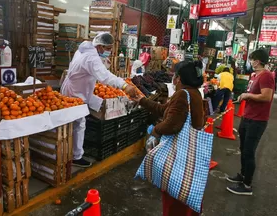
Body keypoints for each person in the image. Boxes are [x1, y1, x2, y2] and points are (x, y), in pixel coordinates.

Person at [133, 60, 205, 216]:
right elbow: (164, 110)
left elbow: (173, 123)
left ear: (178, 78)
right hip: (190, 151)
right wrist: (142, 101)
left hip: (180, 152)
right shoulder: (193, 93)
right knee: (186, 192)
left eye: (174, 75)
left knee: (175, 195)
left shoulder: (182, 94)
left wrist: (156, 131)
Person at [60, 33, 137, 168]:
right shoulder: (91, 58)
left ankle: (69, 152)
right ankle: (75, 156)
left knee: (75, 122)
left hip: (77, 89)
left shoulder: (84, 50)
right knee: (79, 123)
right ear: (100, 46)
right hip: (75, 93)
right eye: (108, 48)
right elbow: (105, 77)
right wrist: (124, 85)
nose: (109, 51)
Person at [226, 49, 275, 195]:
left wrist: (248, 95)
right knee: (243, 148)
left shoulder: (266, 76)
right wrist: (246, 96)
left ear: (258, 60)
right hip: (247, 117)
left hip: (257, 120)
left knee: (249, 151)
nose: (250, 61)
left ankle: (247, 185)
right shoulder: (255, 75)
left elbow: (266, 97)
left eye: (252, 59)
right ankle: (242, 175)